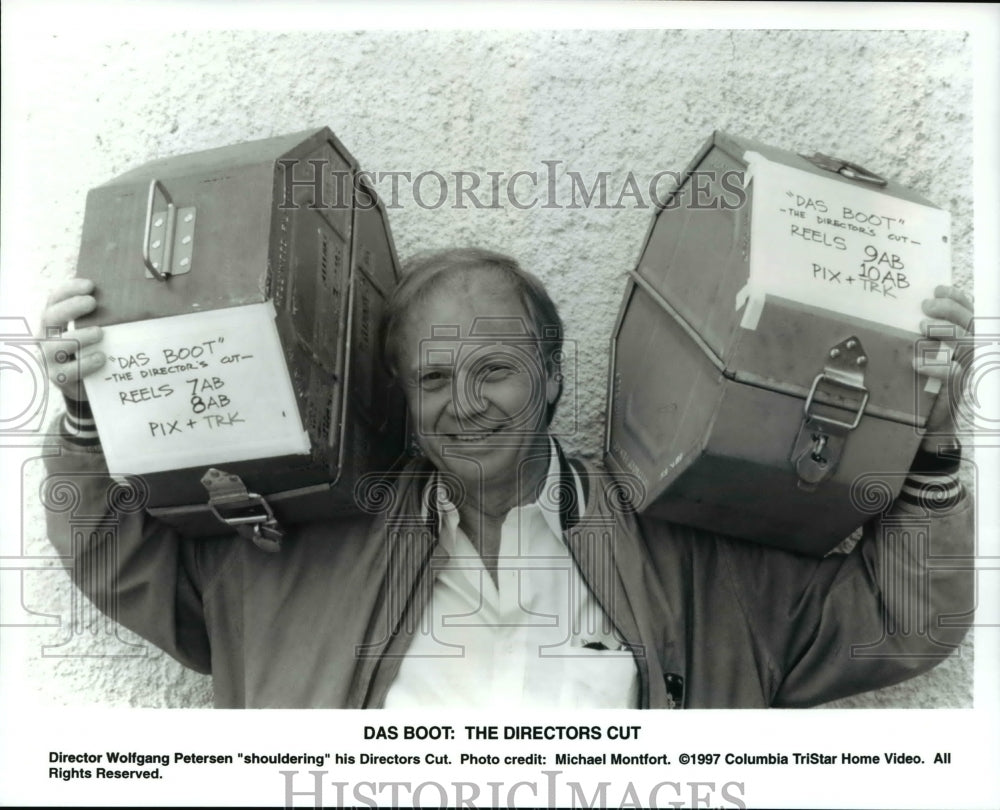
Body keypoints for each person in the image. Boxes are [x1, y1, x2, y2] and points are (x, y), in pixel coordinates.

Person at [40, 248, 974, 708]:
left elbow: (904, 623)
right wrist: (91, 408)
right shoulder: (301, 553)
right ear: (404, 398)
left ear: (554, 377)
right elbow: (118, 558)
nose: (466, 406)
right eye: (435, 380)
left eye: (495, 370)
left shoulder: (684, 549)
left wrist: (926, 446)